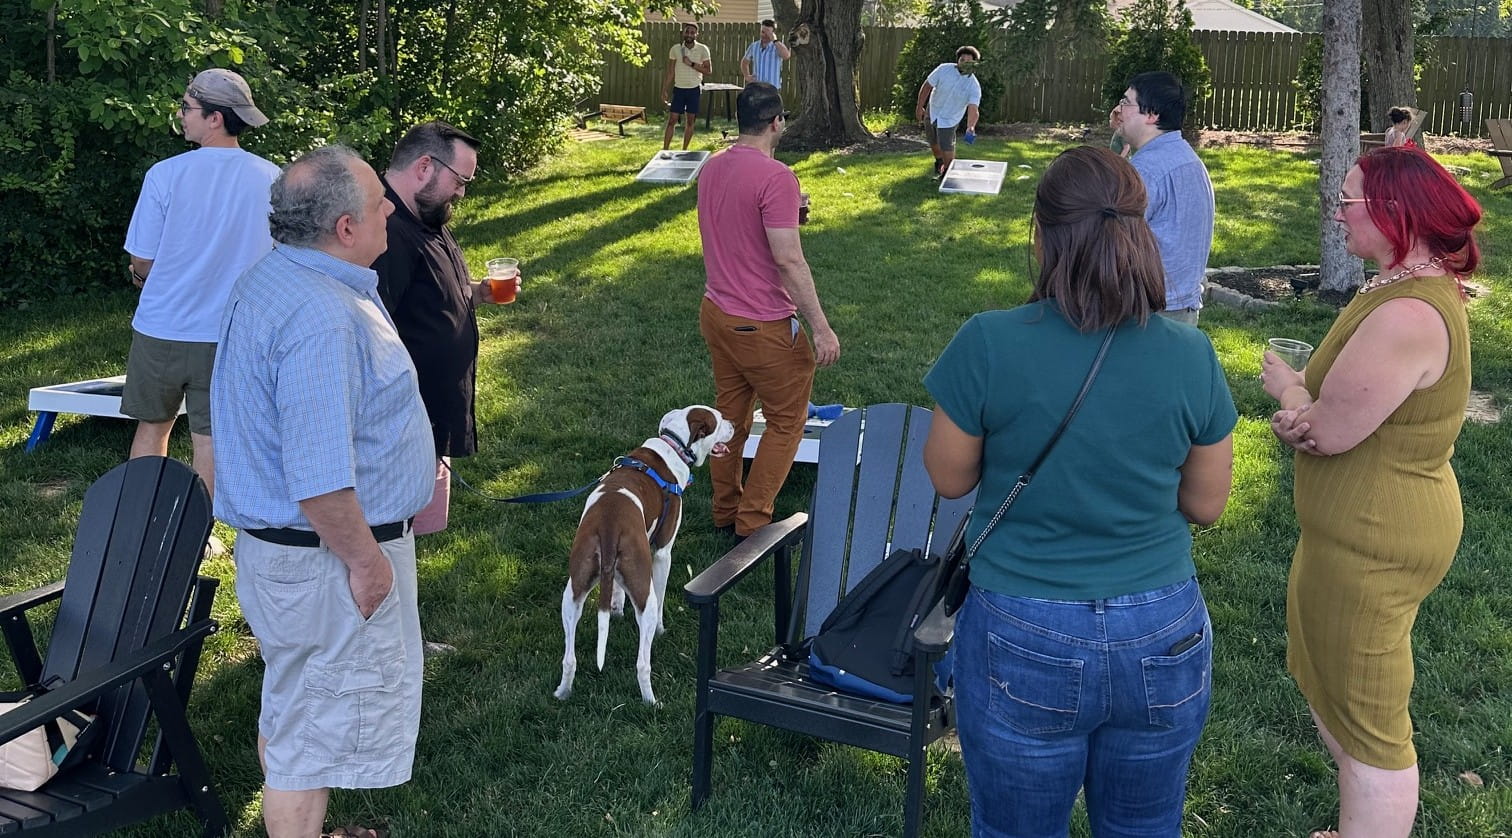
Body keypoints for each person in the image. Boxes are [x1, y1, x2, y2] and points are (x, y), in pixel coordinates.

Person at [923, 146, 1237, 836]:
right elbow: (1207, 505)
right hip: (1162, 625)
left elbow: (949, 478)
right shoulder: (1192, 355)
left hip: (1021, 623)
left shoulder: (988, 342)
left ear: (1042, 234)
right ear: (1139, 230)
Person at [211, 145, 435, 838]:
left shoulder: (275, 280)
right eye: (377, 202)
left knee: (298, 710)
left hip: (297, 558)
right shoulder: (320, 316)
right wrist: (366, 562)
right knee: (309, 734)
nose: (392, 209)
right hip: (324, 560)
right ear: (344, 227)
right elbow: (318, 476)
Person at [1261, 147, 1481, 838]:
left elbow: (1328, 433)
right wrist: (1304, 415)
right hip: (1354, 534)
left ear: (1396, 213)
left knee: (1371, 725)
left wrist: (1291, 393)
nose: (1338, 205)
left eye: (1350, 196)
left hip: (1377, 543)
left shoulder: (1406, 316)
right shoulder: (1396, 287)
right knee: (1339, 692)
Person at [122, 68, 278, 504]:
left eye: (188, 108)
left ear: (215, 118)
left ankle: (139, 525)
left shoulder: (165, 175)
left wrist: (140, 279)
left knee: (152, 429)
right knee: (210, 439)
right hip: (231, 332)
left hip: (163, 327)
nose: (181, 116)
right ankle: (198, 534)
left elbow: (142, 261)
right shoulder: (272, 178)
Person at [697, 82, 840, 539]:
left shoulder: (712, 167)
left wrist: (790, 216)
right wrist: (821, 328)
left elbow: (736, 224)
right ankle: (752, 524)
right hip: (762, 326)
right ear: (777, 122)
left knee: (730, 418)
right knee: (785, 423)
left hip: (716, 312)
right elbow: (788, 259)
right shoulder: (777, 177)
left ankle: (725, 510)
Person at [373, 121, 515, 543]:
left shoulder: (425, 212)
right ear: (424, 166)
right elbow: (372, 329)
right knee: (392, 534)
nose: (461, 193)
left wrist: (476, 293)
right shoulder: (386, 231)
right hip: (401, 427)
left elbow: (429, 298)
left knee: (410, 536)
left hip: (428, 420)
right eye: (460, 180)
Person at [1116, 71, 1215, 325]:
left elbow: (1110, 235)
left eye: (1126, 102)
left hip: (1149, 315)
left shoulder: (1147, 169)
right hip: (1182, 309)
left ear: (1152, 114)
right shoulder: (1186, 157)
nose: (1118, 110)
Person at [915, 46, 982, 179]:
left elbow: (973, 108)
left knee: (946, 146)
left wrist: (971, 126)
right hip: (933, 110)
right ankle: (939, 162)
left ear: (974, 64)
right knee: (932, 141)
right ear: (958, 60)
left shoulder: (973, 85)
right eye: (962, 60)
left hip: (950, 118)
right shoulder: (943, 69)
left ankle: (947, 173)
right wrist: (919, 107)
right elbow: (927, 86)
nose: (965, 63)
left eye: (969, 61)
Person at [662, 22, 712, 151]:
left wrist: (691, 64)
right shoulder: (675, 49)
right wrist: (664, 90)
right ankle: (665, 150)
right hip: (679, 89)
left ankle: (684, 150)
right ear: (683, 33)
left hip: (694, 89)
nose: (689, 34)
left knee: (690, 121)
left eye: (692, 32)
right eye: (687, 31)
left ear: (696, 34)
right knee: (672, 120)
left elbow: (708, 71)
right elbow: (670, 71)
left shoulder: (703, 49)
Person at [741, 19, 791, 88]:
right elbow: (744, 62)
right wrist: (747, 76)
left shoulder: (777, 46)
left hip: (772, 88)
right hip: (756, 87)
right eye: (763, 32)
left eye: (768, 33)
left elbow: (786, 56)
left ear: (773, 33)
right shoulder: (754, 46)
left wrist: (775, 40)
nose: (764, 35)